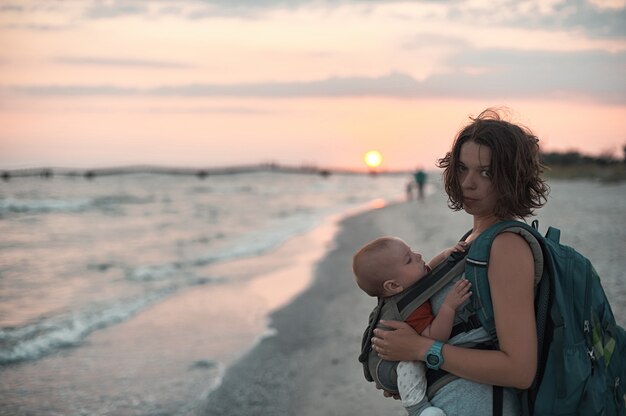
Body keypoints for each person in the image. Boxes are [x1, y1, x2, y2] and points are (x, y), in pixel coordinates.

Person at [370, 108, 550, 415]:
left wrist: (420, 349)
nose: (468, 183)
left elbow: (520, 369)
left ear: (512, 177)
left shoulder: (507, 246)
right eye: (463, 168)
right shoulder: (474, 238)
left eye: (486, 172)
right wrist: (416, 365)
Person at [353, 237, 471, 416]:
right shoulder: (409, 310)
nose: (418, 255)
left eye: (412, 250)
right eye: (409, 259)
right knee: (411, 363)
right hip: (390, 366)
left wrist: (446, 254)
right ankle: (418, 408)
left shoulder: (409, 283)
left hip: (396, 350)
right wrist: (449, 306)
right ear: (393, 285)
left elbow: (430, 272)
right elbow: (435, 337)